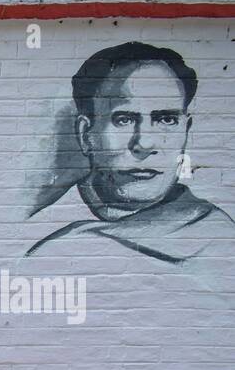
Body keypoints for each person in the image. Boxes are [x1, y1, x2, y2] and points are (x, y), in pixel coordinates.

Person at [26, 42, 235, 265]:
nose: (144, 143)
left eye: (166, 120)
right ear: (86, 134)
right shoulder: (39, 232)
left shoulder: (220, 240)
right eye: (124, 120)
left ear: (186, 129)